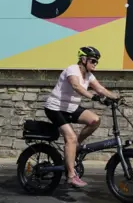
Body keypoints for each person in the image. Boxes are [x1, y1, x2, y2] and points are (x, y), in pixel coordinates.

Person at [44, 46, 119, 187]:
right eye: (93, 60)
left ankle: (74, 146)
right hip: (55, 108)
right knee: (70, 137)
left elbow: (100, 89)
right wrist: (93, 97)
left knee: (95, 120)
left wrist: (116, 97)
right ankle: (71, 176)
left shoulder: (89, 75)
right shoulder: (73, 69)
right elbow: (76, 86)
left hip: (71, 108)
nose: (95, 63)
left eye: (97, 61)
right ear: (83, 59)